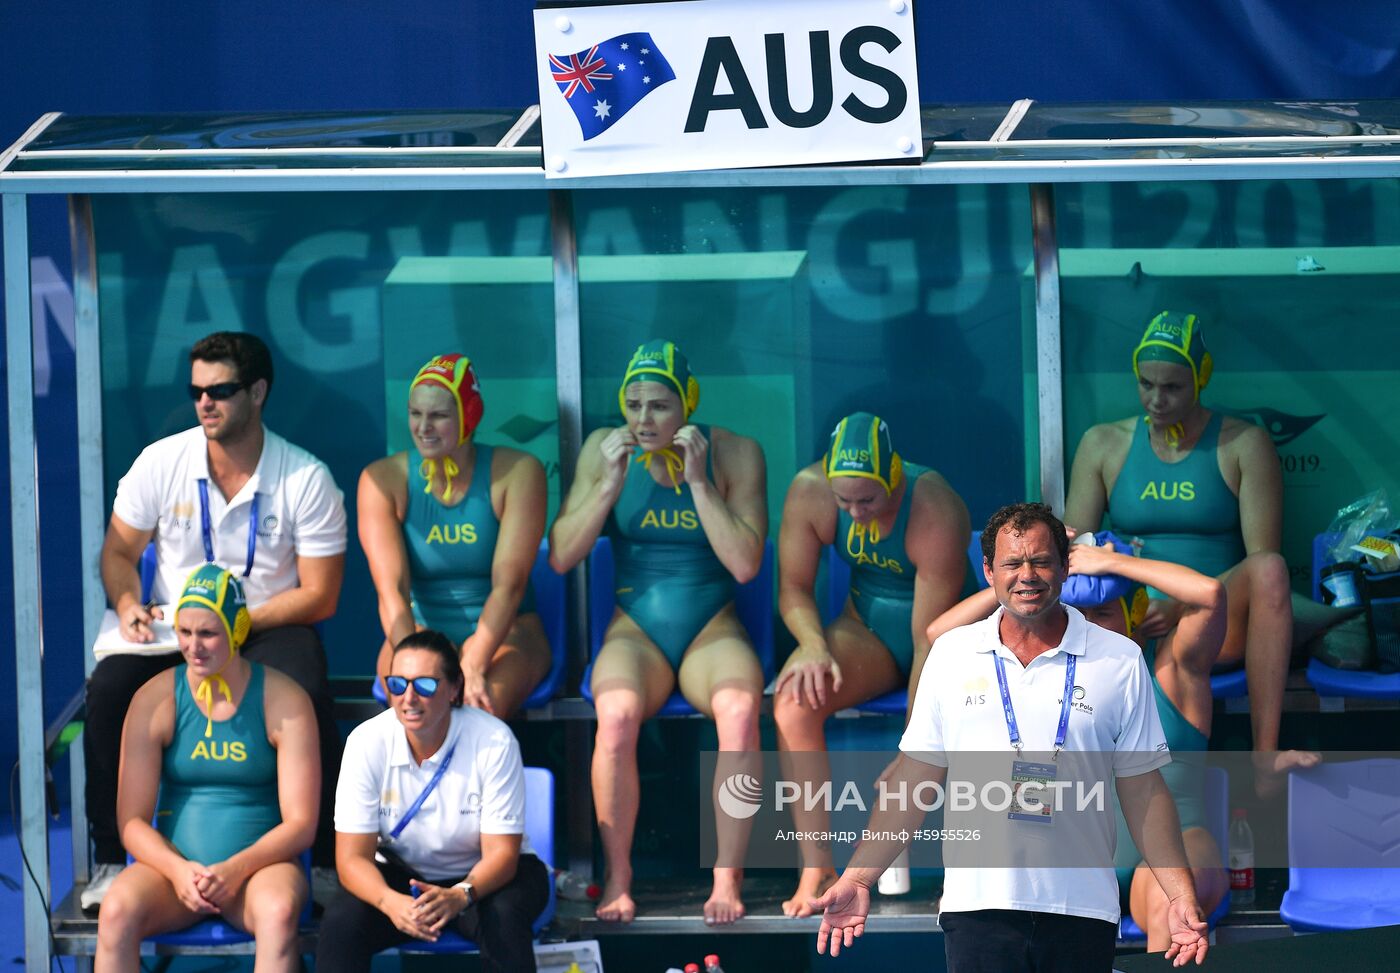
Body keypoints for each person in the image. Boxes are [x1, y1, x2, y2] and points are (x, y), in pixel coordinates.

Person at [813, 503, 1210, 971]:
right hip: (977, 909)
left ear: (1065, 567)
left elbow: (1144, 790)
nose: (1028, 575)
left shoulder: (1119, 659)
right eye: (1012, 563)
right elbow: (913, 781)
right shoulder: (951, 655)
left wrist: (1180, 895)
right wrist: (859, 878)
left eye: (1041, 561)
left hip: (1081, 909)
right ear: (988, 572)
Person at [84, 331, 346, 909]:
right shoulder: (161, 461)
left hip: (265, 625)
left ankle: (324, 859)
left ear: (258, 392)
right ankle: (107, 855)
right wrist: (129, 604)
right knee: (107, 692)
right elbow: (119, 555)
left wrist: (238, 623)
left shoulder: (305, 478)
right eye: (197, 390)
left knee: (306, 686)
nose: (205, 402)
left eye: (221, 390)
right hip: (179, 631)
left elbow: (321, 595)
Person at [1064, 310, 1335, 791]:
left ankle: (1264, 756)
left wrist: (1184, 603)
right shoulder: (1103, 444)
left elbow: (1260, 564)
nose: (1156, 399)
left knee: (1271, 568)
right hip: (1133, 618)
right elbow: (1076, 553)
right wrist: (1134, 602)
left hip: (1214, 620)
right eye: (1146, 384)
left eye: (1172, 387)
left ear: (1201, 379)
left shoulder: (1242, 445)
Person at [925, 530, 1229, 956]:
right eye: (1075, 608)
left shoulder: (1172, 670)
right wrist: (1030, 572)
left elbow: (1211, 594)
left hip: (1165, 850)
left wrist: (1112, 562)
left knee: (1165, 903)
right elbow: (939, 633)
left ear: (1134, 612)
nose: (1083, 621)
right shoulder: (1048, 668)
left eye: (1102, 613)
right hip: (1075, 865)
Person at [548, 339, 767, 925]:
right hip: (635, 628)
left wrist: (699, 483)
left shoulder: (735, 453)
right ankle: (619, 873)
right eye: (634, 405)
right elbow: (563, 557)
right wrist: (606, 487)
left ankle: (727, 875)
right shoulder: (602, 449)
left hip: (711, 626)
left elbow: (746, 564)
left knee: (741, 711)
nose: (644, 421)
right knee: (615, 714)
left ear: (687, 405)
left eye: (660, 406)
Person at [772, 412, 970, 916]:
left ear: (895, 478)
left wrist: (911, 746)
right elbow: (793, 588)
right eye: (845, 502)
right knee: (794, 701)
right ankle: (817, 864)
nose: (855, 513)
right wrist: (813, 644)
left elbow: (929, 640)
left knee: (957, 729)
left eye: (868, 500)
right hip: (868, 629)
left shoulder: (935, 506)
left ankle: (968, 877)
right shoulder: (810, 490)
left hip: (950, 639)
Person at [95, 565, 319, 973]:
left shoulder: (285, 702)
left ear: (238, 630)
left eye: (208, 634)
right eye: (184, 632)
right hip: (172, 878)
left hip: (257, 875)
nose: (193, 647)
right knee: (115, 911)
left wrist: (235, 869)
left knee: (279, 911)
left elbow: (302, 823)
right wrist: (178, 871)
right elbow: (131, 821)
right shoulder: (154, 699)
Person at [318, 630, 550, 973]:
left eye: (425, 685)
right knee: (341, 923)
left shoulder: (494, 741)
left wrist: (461, 895)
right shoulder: (365, 742)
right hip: (400, 879)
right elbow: (351, 859)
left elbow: (502, 854)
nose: (409, 698)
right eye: (397, 684)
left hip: (483, 880)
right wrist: (390, 902)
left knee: (504, 919)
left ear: (454, 688)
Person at [359, 353, 551, 716]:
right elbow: (391, 592)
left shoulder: (517, 473)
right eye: (416, 414)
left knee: (477, 711)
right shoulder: (383, 479)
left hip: (508, 634)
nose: (423, 427)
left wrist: (474, 663)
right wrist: (413, 665)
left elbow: (508, 586)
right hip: (418, 630)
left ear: (469, 416)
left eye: (439, 415)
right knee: (411, 707)